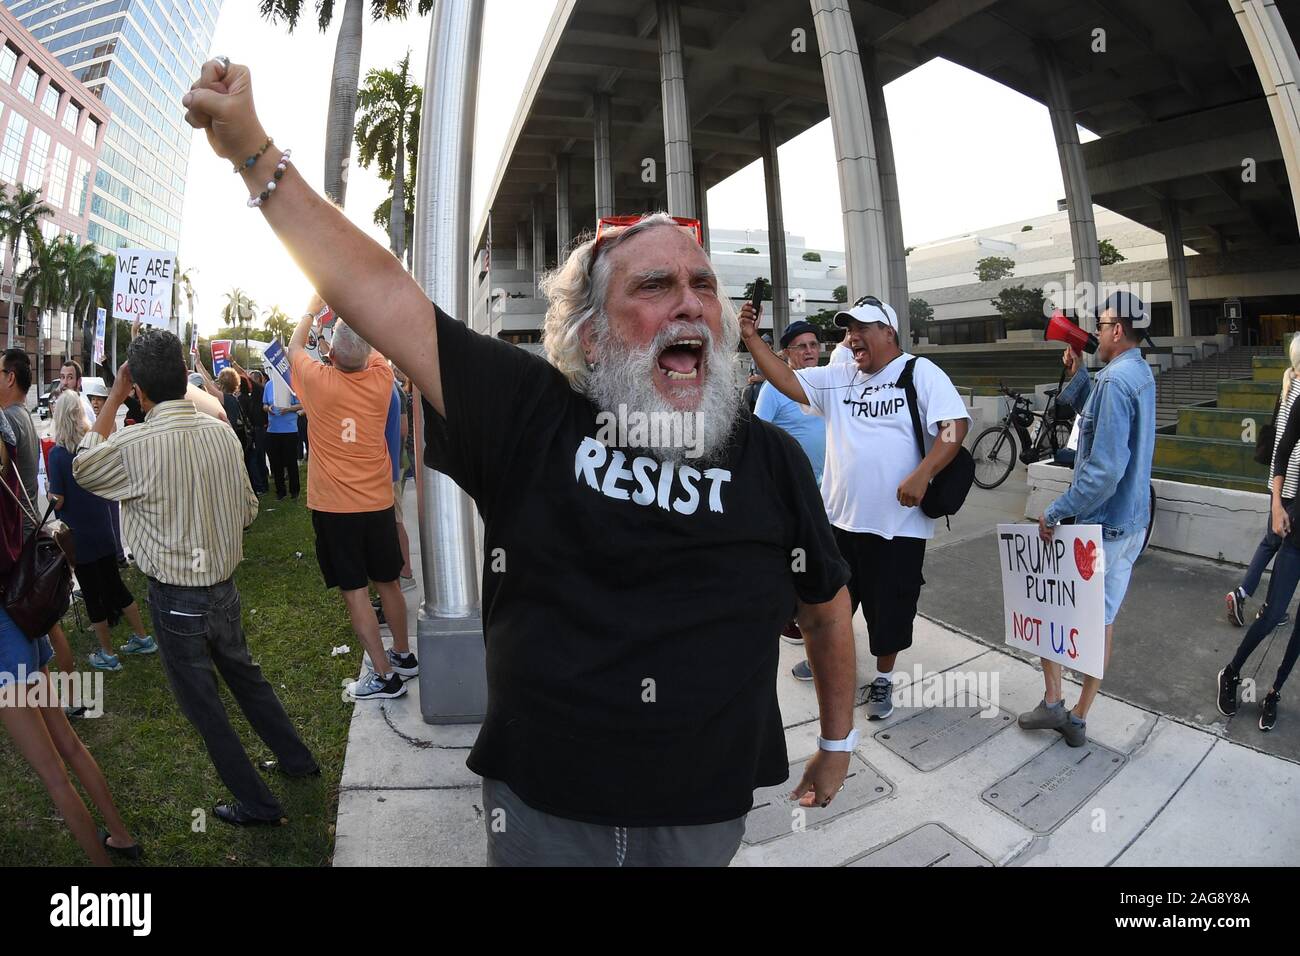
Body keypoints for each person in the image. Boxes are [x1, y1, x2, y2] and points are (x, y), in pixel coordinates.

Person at [185, 59, 857, 865]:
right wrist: (255, 152)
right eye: (654, 285)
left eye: (703, 285)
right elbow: (381, 292)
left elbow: (825, 610)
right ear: (592, 335)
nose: (690, 302)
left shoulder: (772, 461)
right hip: (540, 810)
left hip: (704, 816)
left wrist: (838, 738)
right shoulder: (531, 414)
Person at [73, 329, 319, 826]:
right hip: (223, 590)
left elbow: (83, 465)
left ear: (138, 387)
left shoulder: (135, 443)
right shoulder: (221, 432)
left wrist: (114, 396)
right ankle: (295, 759)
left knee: (206, 707)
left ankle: (257, 800)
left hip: (176, 597)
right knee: (246, 679)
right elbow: (249, 509)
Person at [745, 296, 969, 715]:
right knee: (828, 604)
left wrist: (924, 472)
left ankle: (883, 678)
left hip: (897, 528)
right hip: (838, 521)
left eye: (862, 328)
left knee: (891, 612)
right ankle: (827, 662)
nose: (852, 338)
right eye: (848, 330)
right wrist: (752, 339)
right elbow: (787, 381)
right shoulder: (839, 377)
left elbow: (954, 426)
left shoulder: (919, 372)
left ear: (889, 332)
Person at [0, 411, 142, 864]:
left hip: (6, 630)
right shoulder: (6, 434)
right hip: (19, 606)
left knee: (52, 769)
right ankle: (120, 835)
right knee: (67, 745)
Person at [1023, 292, 1156, 747]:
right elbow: (1097, 415)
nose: (1096, 332)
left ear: (1117, 330)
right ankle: (1078, 715)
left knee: (1053, 609)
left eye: (1101, 325)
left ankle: (1054, 701)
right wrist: (1079, 373)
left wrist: (1057, 510)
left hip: (1100, 526)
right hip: (1129, 524)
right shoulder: (1135, 373)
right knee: (1101, 620)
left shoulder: (1117, 383)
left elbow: (1103, 470)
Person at [287, 307, 415, 700]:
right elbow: (372, 346)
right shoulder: (381, 379)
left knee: (355, 590)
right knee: (388, 582)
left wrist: (312, 310)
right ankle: (404, 656)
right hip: (377, 502)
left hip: (336, 509)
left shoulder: (318, 381)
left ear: (333, 356)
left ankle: (383, 676)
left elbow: (293, 347)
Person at [1219, 347, 1300, 732]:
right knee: (1271, 616)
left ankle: (1274, 692)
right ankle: (1232, 671)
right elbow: (1282, 452)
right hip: (1298, 529)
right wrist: (1276, 505)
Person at [46, 392, 156, 671]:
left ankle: (107, 653)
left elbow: (57, 498)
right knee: (115, 585)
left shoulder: (58, 454)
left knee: (93, 594)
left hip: (78, 535)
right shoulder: (92, 445)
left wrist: (50, 495)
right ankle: (143, 637)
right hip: (103, 527)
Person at [1, 349, 77, 676]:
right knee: (42, 624)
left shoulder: (11, 419)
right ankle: (65, 691)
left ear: (9, 377)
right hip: (27, 532)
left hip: (21, 536)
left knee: (42, 622)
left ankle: (72, 692)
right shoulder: (20, 415)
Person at [754, 319, 826, 655]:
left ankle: (817, 613)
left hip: (831, 490)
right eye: (802, 346)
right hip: (794, 493)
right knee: (794, 557)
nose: (810, 351)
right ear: (786, 353)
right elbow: (758, 436)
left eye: (814, 345)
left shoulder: (828, 383)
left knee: (823, 556)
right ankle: (791, 616)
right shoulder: (774, 388)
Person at [1226, 335, 1300, 627]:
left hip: (1279, 479)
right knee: (1281, 544)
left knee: (1274, 541)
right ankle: (1251, 597)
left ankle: (1258, 600)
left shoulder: (1288, 383)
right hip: (1292, 482)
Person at [385, 369, 414, 584]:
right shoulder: (393, 385)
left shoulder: (391, 387)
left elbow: (403, 430)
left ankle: (405, 573)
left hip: (393, 465)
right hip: (393, 463)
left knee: (395, 520)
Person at [263, 371, 302, 500]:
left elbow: (302, 404)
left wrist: (289, 409)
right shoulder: (269, 385)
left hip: (289, 430)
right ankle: (280, 492)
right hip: (272, 430)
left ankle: (294, 491)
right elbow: (264, 404)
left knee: (291, 462)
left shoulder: (292, 384)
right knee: (276, 463)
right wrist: (268, 408)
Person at [242, 369, 270, 495]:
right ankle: (263, 484)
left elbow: (245, 375)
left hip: (260, 429)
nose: (250, 381)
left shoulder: (260, 390)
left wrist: (234, 363)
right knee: (258, 457)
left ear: (258, 380)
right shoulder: (252, 394)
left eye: (252, 379)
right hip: (256, 429)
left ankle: (263, 485)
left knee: (259, 457)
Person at [59, 360, 97, 427]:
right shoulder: (62, 407)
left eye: (70, 377)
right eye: (62, 377)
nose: (64, 382)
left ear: (79, 382)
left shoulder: (83, 409)